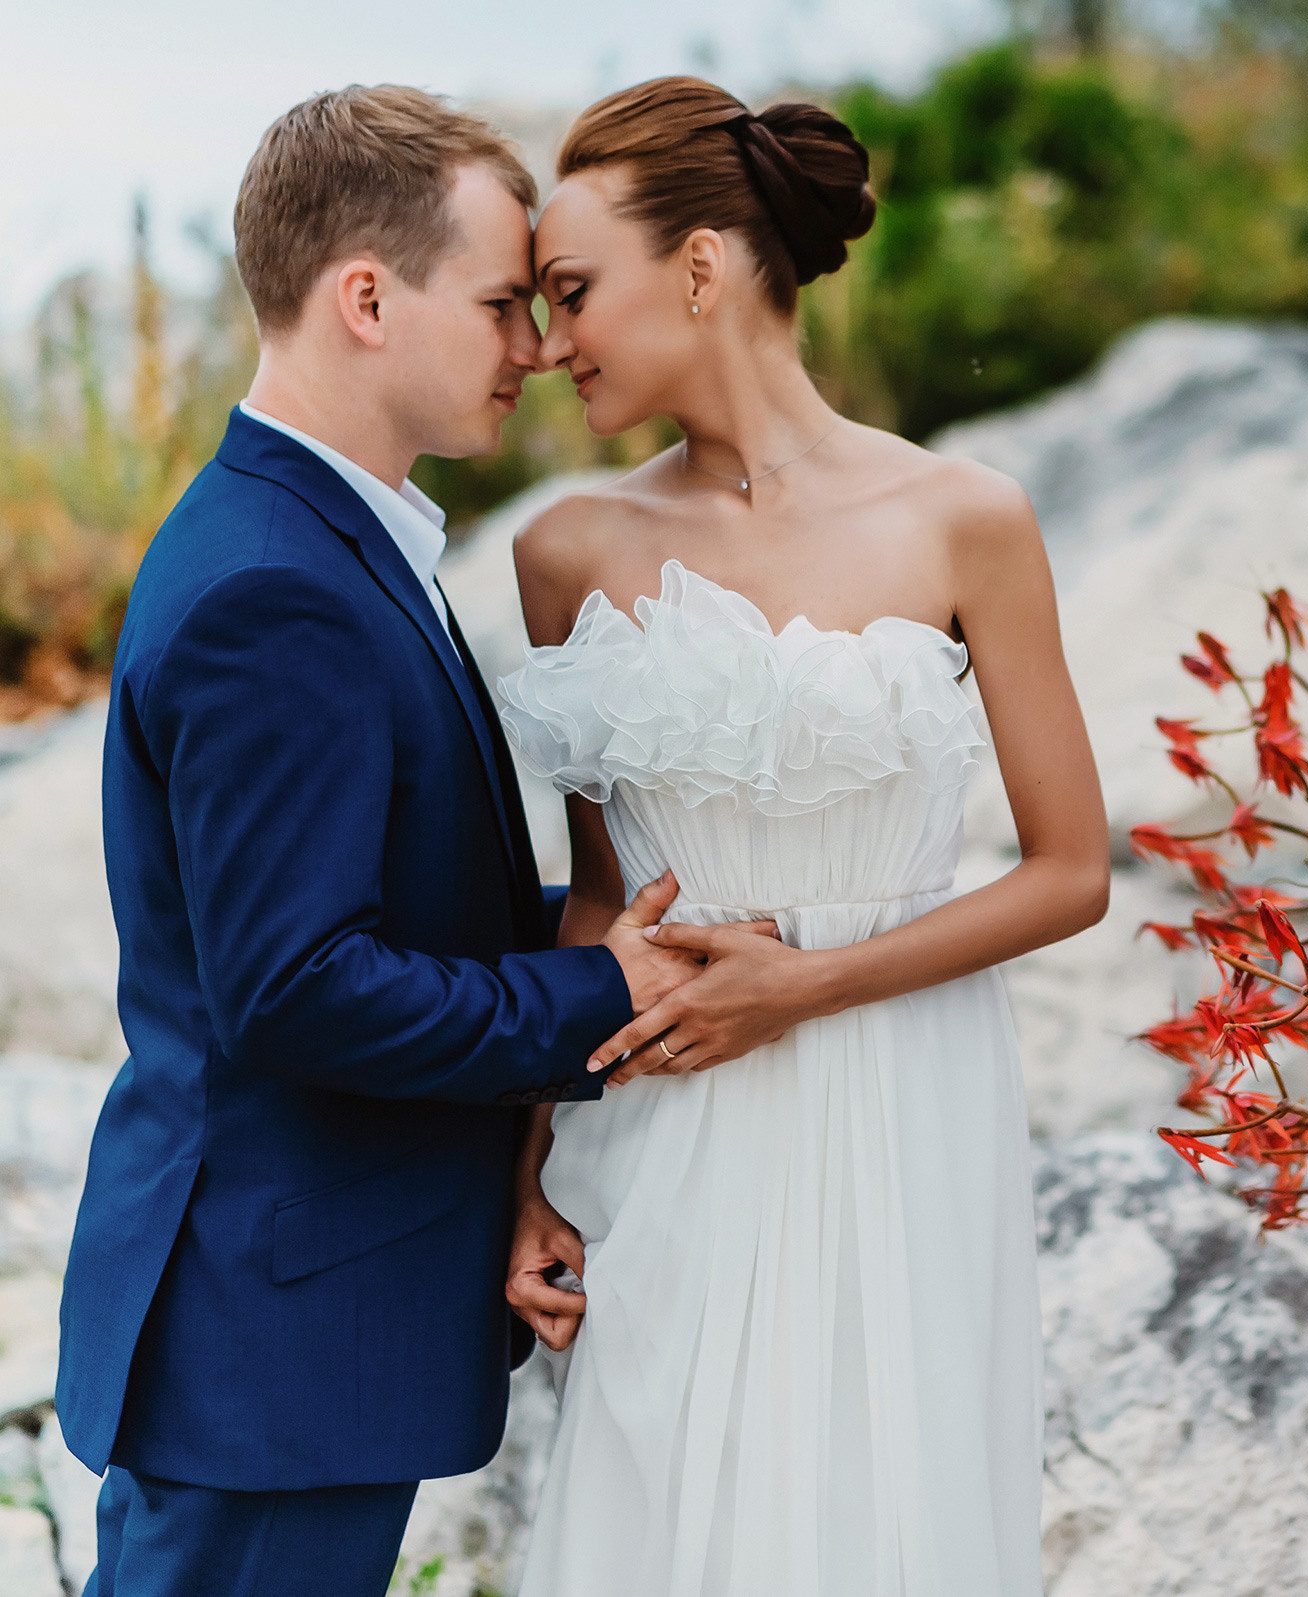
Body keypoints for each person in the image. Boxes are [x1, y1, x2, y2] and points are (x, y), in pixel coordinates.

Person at [55, 87, 758, 1597]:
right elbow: (298, 987)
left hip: (290, 1334)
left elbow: (390, 903)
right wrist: (601, 990)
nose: (536, 347)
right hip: (270, 1351)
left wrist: (648, 920)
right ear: (366, 300)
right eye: (502, 302)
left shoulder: (324, 538)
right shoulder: (275, 588)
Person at [495, 76, 1107, 1596]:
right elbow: (598, 902)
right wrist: (526, 1177)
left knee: (879, 1516)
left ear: (701, 266)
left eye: (573, 291)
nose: (549, 342)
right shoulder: (565, 550)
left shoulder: (965, 517)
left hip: (901, 1096)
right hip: (665, 1114)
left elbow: (1070, 871)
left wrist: (805, 987)